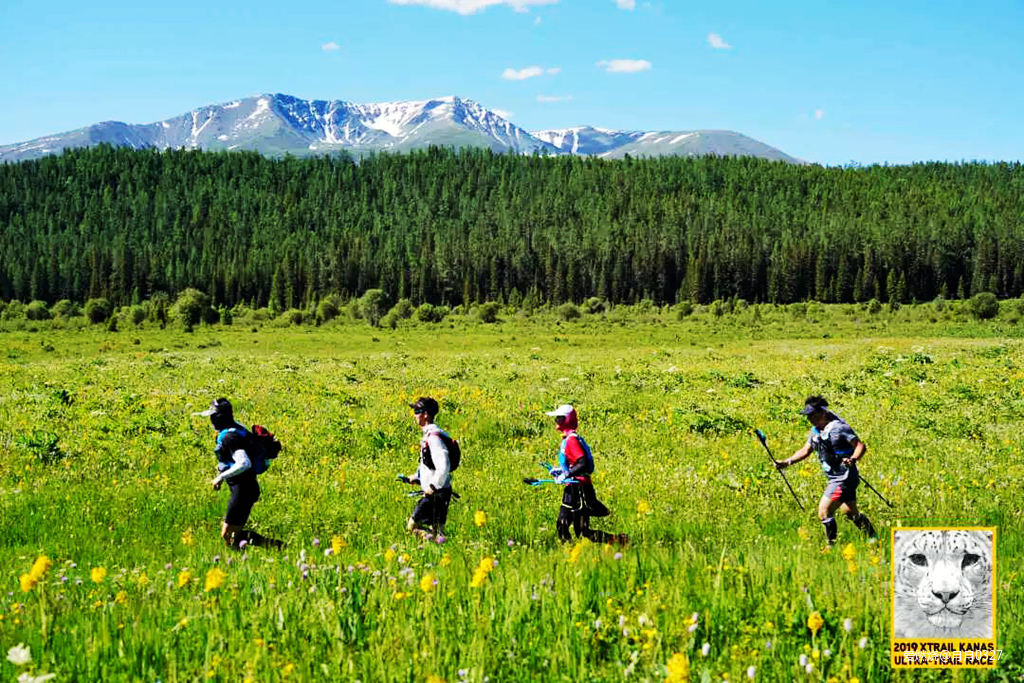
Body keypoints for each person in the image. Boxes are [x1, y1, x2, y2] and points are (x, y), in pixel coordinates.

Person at [775, 396, 878, 545]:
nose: (809, 418)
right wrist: (786, 462)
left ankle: (831, 547)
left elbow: (860, 446)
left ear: (822, 412)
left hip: (844, 477)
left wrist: (853, 459)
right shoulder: (815, 431)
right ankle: (873, 538)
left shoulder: (839, 428)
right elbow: (805, 450)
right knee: (850, 512)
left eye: (812, 414)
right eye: (807, 415)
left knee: (824, 511)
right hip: (836, 477)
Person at [198, 398, 283, 550]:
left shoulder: (230, 437)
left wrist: (220, 477)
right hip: (245, 487)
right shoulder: (237, 429)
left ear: (218, 418)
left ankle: (275, 547)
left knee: (229, 536)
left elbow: (244, 463)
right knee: (229, 535)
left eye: (212, 416)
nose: (211, 420)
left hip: (243, 489)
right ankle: (273, 547)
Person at [545, 404, 627, 545]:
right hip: (572, 488)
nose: (556, 422)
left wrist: (566, 475)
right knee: (567, 527)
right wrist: (559, 471)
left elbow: (582, 463)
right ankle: (617, 541)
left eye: (559, 418)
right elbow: (574, 463)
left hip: (579, 489)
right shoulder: (568, 439)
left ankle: (619, 541)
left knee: (578, 530)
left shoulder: (571, 440)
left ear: (567, 420)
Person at [401, 397, 455, 541]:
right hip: (441, 490)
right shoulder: (431, 435)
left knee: (412, 527)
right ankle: (443, 548)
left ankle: (436, 541)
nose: (414, 415)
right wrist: (416, 477)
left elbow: (443, 465)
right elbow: (429, 465)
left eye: (417, 411)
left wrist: (432, 485)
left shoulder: (433, 438)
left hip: (436, 492)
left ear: (426, 415)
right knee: (438, 530)